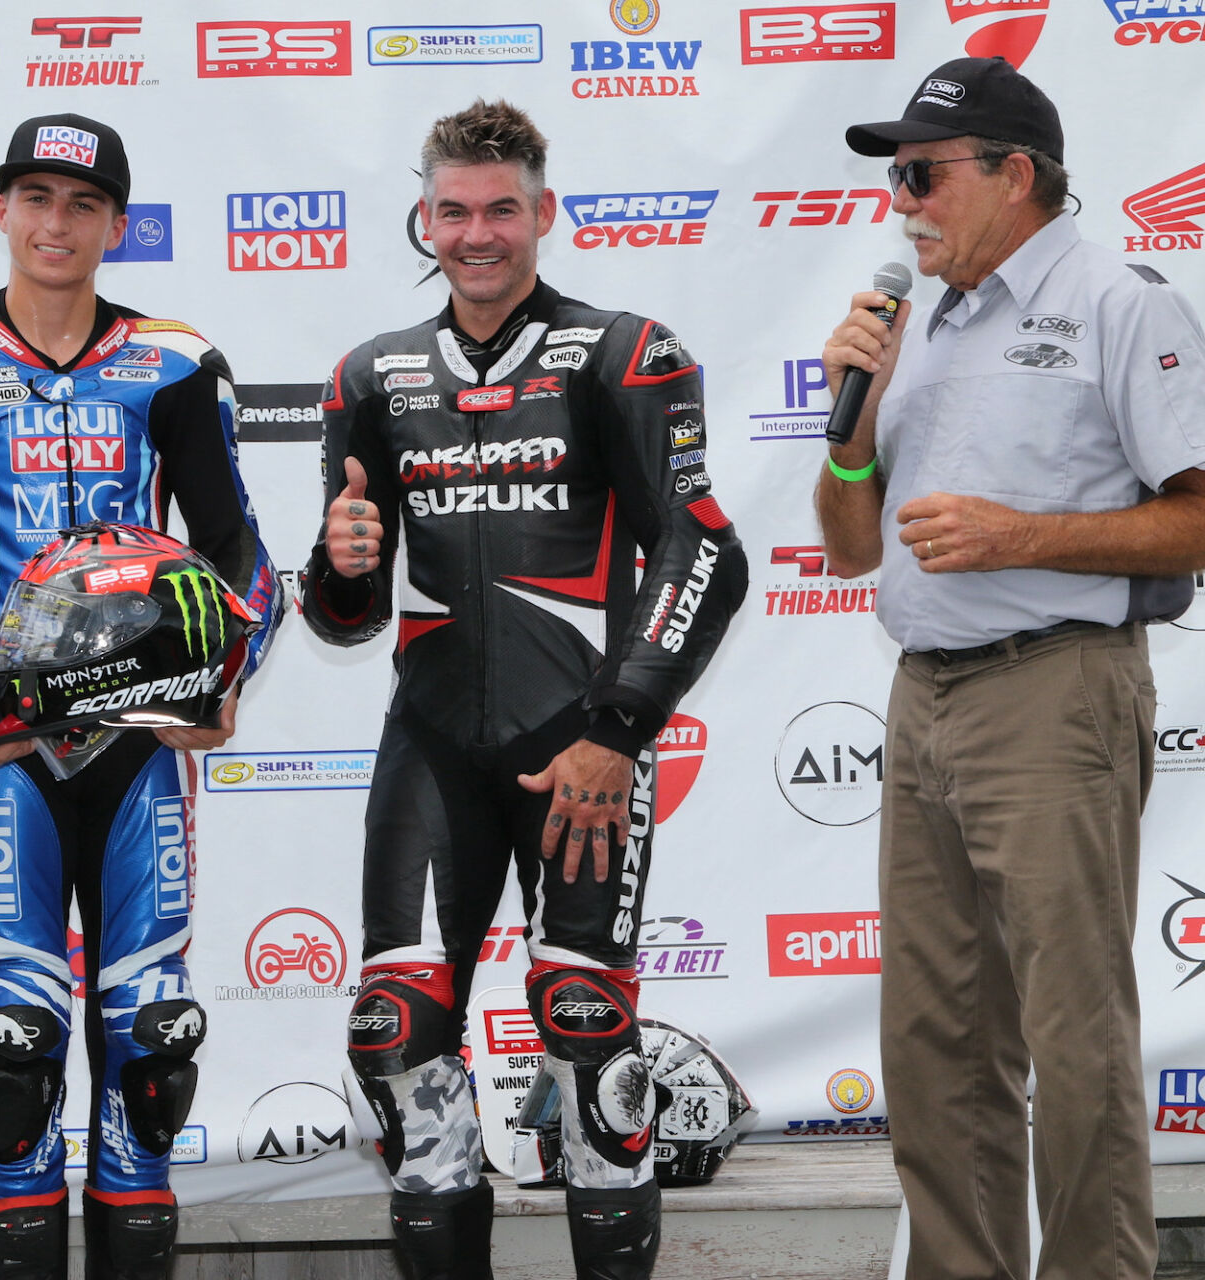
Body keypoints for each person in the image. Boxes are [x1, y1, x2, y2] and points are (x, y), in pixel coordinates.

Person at [301, 99, 746, 1280]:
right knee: (397, 1040)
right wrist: (338, 565)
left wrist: (618, 732)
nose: (479, 233)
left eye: (503, 209)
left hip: (580, 752)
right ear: (424, 217)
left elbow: (705, 552)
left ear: (545, 214)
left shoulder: (623, 352)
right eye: (455, 210)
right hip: (432, 744)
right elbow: (343, 611)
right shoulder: (371, 376)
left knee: (590, 1042)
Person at [0, 113, 283, 1280]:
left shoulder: (174, 362)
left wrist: (224, 680)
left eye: (84, 203)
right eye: (37, 197)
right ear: (1, 206)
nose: (58, 223)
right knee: (16, 1051)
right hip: (5, 750)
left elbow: (244, 558)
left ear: (115, 222)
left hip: (142, 741)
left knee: (151, 1055)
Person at [817, 56, 1205, 1280]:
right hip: (923, 695)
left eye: (924, 174)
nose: (904, 200)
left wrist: (1023, 536)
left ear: (1015, 174)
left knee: (1072, 1034)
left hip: (1057, 689)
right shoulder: (918, 323)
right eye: (895, 178)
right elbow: (847, 546)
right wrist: (852, 421)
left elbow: (1197, 518)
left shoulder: (1118, 301)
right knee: (935, 1039)